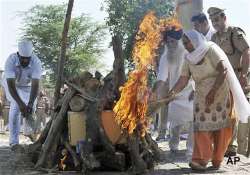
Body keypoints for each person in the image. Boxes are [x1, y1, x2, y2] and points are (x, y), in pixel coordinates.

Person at [165, 30, 250, 170]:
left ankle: (217, 159)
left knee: (221, 128)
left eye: (187, 42)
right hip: (201, 95)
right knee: (201, 127)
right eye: (184, 43)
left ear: (195, 40)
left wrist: (213, 91)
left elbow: (223, 70)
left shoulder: (209, 49)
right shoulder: (188, 58)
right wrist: (172, 92)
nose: (185, 45)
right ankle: (200, 160)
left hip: (220, 92)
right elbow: (183, 79)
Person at [208, 7, 250, 156]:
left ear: (224, 17)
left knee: (238, 112)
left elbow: (246, 51)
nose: (215, 23)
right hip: (224, 80)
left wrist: (244, 75)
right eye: (212, 21)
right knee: (225, 112)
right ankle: (227, 146)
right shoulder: (213, 38)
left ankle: (237, 149)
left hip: (238, 78)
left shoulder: (234, 32)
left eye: (217, 19)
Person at [154, 28, 194, 159]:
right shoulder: (166, 57)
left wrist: (196, 89)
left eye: (173, 42)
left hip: (191, 92)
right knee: (176, 122)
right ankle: (173, 145)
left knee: (194, 121)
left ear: (179, 41)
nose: (170, 44)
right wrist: (157, 95)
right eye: (168, 42)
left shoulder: (188, 52)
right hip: (174, 92)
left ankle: (190, 150)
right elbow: (161, 77)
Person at [3, 39, 42, 151]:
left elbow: (35, 85)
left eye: (27, 58)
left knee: (31, 109)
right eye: (23, 58)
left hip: (27, 85)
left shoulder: (36, 62)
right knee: (16, 107)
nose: (25, 61)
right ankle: (14, 143)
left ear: (31, 56)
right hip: (11, 83)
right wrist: (20, 103)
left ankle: (29, 132)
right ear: (18, 55)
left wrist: (29, 104)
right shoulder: (10, 60)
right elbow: (11, 86)